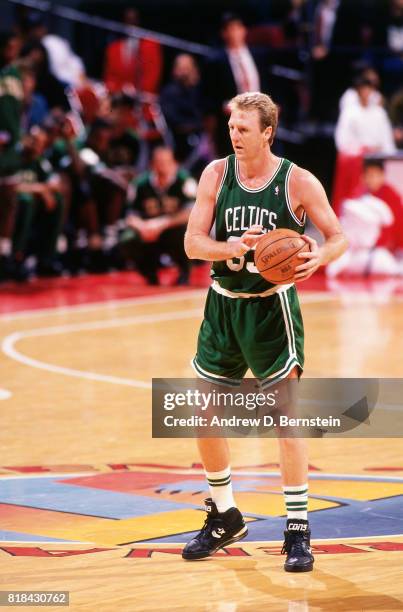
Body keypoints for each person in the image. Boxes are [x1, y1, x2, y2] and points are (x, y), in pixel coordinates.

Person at [183, 92, 347, 571]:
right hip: (223, 307)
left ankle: (297, 528)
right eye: (232, 127)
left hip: (271, 311)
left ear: (267, 133)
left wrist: (320, 256)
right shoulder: (215, 173)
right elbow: (193, 243)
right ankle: (225, 513)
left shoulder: (297, 180)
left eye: (244, 129)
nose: (234, 135)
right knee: (203, 412)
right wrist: (231, 246)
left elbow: (337, 235)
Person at [121, 146, 196, 285]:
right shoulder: (140, 184)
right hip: (148, 232)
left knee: (186, 233)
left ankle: (184, 270)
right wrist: (142, 226)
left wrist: (162, 223)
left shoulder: (185, 181)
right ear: (152, 164)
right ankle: (149, 273)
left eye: (166, 162)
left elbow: (192, 212)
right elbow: (130, 214)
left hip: (174, 229)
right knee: (128, 239)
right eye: (159, 162)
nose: (162, 167)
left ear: (175, 164)